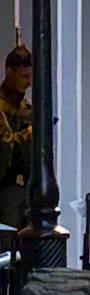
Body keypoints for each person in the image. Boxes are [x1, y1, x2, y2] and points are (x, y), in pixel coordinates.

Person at [0, 36, 33, 231]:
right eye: (24, 76)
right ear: (10, 72)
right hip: (6, 188)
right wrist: (32, 131)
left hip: (27, 188)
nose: (28, 83)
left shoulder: (25, 106)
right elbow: (6, 143)